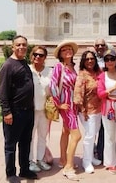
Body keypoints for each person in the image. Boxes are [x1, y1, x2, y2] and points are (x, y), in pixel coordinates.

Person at [0, 35, 37, 183]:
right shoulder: (8, 65)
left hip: (28, 111)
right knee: (10, 145)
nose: (21, 47)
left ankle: (25, 170)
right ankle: (11, 173)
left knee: (25, 143)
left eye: (24, 45)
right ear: (13, 47)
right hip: (15, 112)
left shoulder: (23, 63)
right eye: (18, 45)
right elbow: (3, 91)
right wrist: (7, 112)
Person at [49, 40, 81, 180]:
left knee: (66, 131)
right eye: (64, 50)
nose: (67, 51)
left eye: (69, 49)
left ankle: (63, 159)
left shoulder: (72, 67)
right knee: (77, 135)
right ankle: (68, 167)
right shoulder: (59, 67)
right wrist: (58, 104)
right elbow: (53, 85)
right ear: (60, 54)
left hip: (72, 105)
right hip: (65, 105)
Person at [97, 49, 116, 175]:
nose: (109, 62)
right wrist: (114, 87)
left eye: (112, 59)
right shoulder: (102, 76)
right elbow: (100, 94)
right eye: (107, 59)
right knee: (109, 135)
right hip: (108, 106)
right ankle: (111, 163)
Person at [74, 50, 103, 174]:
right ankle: (86, 161)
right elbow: (78, 95)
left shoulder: (97, 73)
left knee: (94, 133)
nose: (90, 61)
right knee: (90, 135)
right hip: (87, 110)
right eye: (87, 59)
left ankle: (90, 156)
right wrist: (83, 110)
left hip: (98, 109)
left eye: (92, 59)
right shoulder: (82, 75)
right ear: (83, 62)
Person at [28, 45, 52, 173]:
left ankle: (40, 159)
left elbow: (53, 90)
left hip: (44, 109)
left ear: (45, 58)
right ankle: (30, 160)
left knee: (43, 135)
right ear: (32, 56)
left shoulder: (49, 71)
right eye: (35, 54)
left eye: (41, 55)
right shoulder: (27, 70)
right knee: (30, 136)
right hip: (30, 109)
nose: (38, 57)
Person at [93, 38, 107, 161]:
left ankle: (101, 152)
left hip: (105, 97)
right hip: (92, 98)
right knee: (92, 127)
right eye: (98, 45)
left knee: (104, 126)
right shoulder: (90, 60)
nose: (100, 47)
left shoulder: (109, 59)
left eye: (102, 45)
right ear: (94, 47)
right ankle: (91, 151)